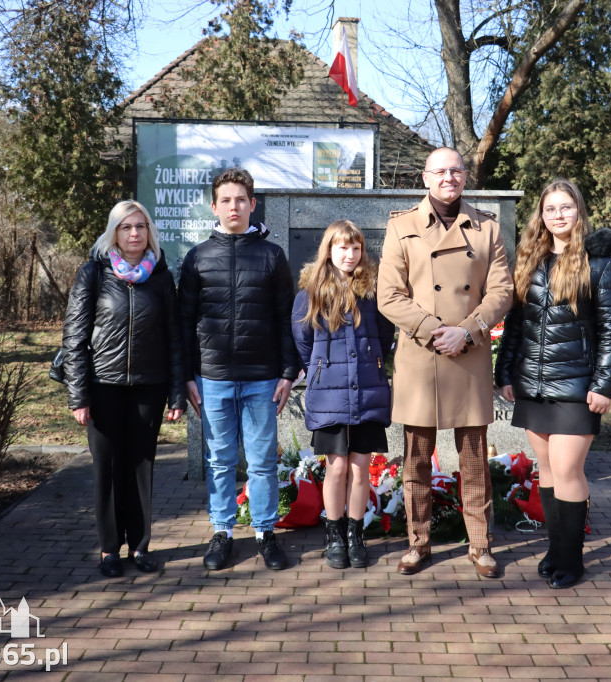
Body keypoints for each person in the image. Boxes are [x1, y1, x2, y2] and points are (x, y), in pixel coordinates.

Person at [377, 147, 514, 578]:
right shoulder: (401, 227)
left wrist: (468, 330)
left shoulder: (486, 229)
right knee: (416, 460)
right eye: (440, 171)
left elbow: (502, 292)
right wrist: (436, 329)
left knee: (473, 460)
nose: (448, 177)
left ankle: (480, 545)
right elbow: (389, 295)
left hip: (469, 355)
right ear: (425, 178)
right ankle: (418, 544)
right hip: (422, 358)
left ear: (465, 176)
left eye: (455, 170)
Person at [495, 178, 611, 589]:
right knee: (548, 470)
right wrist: (504, 373)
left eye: (565, 208)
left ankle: (572, 559)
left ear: (579, 211)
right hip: (533, 384)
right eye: (550, 209)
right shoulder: (530, 258)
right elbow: (517, 323)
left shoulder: (600, 262)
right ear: (541, 215)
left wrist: (604, 385)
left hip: (576, 385)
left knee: (569, 469)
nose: (557, 216)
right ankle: (555, 549)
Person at [179, 168, 299, 571]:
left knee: (263, 459)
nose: (234, 206)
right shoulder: (197, 258)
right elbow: (183, 323)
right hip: (212, 378)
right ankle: (222, 532)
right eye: (226, 200)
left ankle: (265, 533)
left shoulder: (271, 256)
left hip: (262, 377)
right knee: (219, 460)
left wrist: (287, 371)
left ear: (252, 204)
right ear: (214, 207)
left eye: (241, 199)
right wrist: (185, 377)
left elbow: (287, 317)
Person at [62, 199, 186, 578]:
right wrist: (78, 395)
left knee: (141, 467)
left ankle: (140, 546)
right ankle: (108, 549)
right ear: (113, 233)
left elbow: (175, 339)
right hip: (103, 387)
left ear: (150, 232)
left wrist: (177, 392)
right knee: (107, 469)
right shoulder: (93, 274)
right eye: (126, 227)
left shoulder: (162, 277)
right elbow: (74, 337)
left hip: (149, 388)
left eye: (140, 227)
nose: (134, 234)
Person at [291, 221, 395, 569]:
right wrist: (321, 369)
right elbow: (304, 341)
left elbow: (384, 334)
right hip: (330, 394)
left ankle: (355, 533)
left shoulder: (372, 291)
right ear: (329, 250)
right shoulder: (310, 292)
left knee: (361, 469)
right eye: (342, 248)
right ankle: (333, 533)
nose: (350, 255)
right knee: (336, 469)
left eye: (356, 248)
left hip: (367, 391)